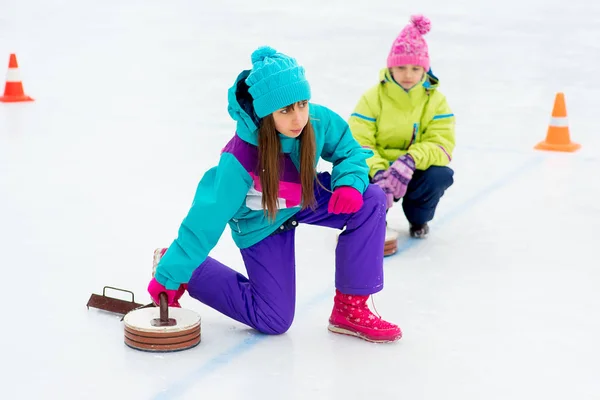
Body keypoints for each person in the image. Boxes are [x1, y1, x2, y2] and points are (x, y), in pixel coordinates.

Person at [147, 46, 402, 343]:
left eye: (302, 104)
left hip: (303, 197)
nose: (298, 118)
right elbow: (205, 221)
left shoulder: (315, 121)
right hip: (261, 221)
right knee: (274, 319)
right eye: (285, 110)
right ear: (266, 112)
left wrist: (349, 182)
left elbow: (349, 149)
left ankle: (350, 308)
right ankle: (186, 268)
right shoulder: (240, 159)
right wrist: (171, 273)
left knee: (369, 199)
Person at [349, 14, 455, 254]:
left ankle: (419, 218)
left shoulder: (436, 102)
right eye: (401, 67)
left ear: (425, 70)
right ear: (390, 67)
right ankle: (373, 219)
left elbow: (442, 145)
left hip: (412, 171)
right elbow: (358, 141)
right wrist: (376, 171)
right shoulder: (372, 98)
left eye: (415, 68)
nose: (408, 74)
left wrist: (411, 160)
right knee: (355, 177)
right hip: (378, 169)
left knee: (439, 175)